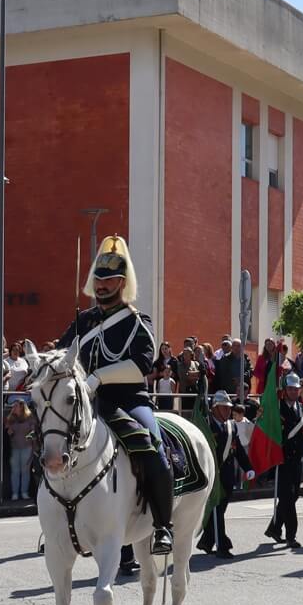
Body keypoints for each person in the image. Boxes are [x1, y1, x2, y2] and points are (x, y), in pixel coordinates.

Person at [52, 236, 176, 552]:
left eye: (108, 280)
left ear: (122, 282)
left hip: (128, 401)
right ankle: (55, 522)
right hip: (87, 403)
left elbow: (142, 364)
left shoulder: (137, 321)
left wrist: (98, 377)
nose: (101, 285)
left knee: (153, 448)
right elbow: (61, 354)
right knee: (51, 441)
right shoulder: (82, 321)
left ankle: (163, 526)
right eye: (98, 279)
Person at [266, 373, 303, 546]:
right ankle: (291, 536)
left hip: (297, 460)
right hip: (281, 460)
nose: (293, 392)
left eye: (296, 389)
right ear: (285, 390)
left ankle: (274, 528)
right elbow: (268, 431)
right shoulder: (276, 408)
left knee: (293, 496)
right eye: (290, 389)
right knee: (287, 498)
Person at [194, 391, 249, 554]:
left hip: (227, 476)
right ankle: (223, 546)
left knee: (219, 510)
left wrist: (249, 468)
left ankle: (206, 542)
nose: (228, 411)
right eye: (224, 408)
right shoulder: (206, 426)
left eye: (229, 408)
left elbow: (238, 450)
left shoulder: (232, 426)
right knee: (217, 510)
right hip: (212, 476)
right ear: (214, 409)